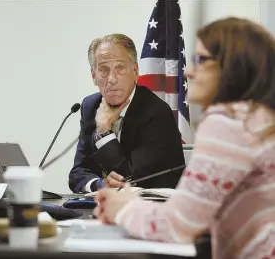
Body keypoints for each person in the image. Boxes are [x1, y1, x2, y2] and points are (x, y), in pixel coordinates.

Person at [94, 18, 275, 259]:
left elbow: (177, 226)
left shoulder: (230, 122)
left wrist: (123, 208)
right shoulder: (259, 118)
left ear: (233, 66)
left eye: (201, 60)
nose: (188, 71)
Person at [69, 33, 185, 193]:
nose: (112, 79)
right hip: (101, 206)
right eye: (103, 70)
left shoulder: (156, 112)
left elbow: (130, 179)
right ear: (94, 76)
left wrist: (103, 132)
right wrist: (99, 184)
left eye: (120, 68)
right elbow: (77, 173)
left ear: (135, 71)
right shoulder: (90, 106)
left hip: (150, 208)